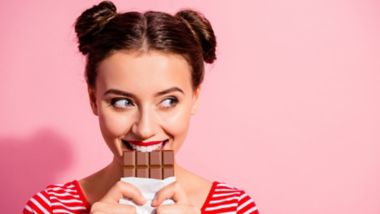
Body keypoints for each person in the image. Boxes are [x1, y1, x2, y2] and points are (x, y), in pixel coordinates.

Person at [23, 1, 259, 213]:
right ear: (94, 99)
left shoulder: (235, 208)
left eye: (168, 101)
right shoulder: (49, 207)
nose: (145, 130)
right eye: (122, 102)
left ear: (195, 97)